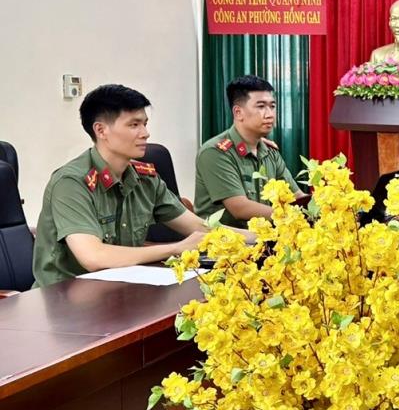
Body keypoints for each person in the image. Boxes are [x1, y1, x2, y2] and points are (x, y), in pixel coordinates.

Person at [32, 84, 248, 287]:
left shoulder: (145, 178)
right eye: (134, 125)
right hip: (64, 297)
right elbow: (93, 257)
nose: (145, 133)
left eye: (145, 123)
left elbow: (200, 228)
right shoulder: (72, 183)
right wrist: (177, 248)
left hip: (122, 288)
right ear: (101, 130)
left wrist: (260, 237)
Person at [193, 75, 300, 227]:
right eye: (261, 107)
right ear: (238, 112)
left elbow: (296, 196)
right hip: (224, 238)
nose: (269, 114)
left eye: (272, 106)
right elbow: (240, 208)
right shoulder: (215, 152)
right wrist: (294, 215)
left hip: (264, 235)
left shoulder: (270, 151)